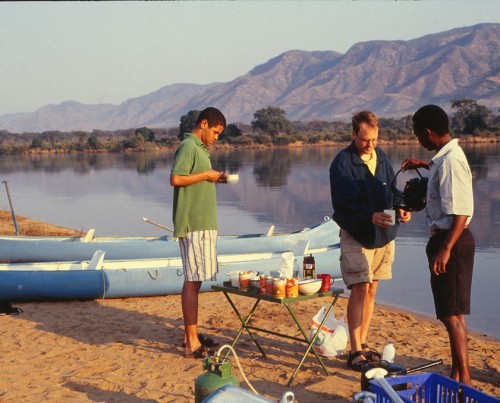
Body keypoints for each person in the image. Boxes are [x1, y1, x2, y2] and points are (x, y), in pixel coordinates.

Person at [329, 111, 411, 371]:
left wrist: (401, 208)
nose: (370, 144)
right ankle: (354, 351)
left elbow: (392, 191)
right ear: (354, 134)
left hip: (384, 235)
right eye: (365, 140)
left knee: (373, 288)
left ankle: (363, 342)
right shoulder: (342, 164)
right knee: (360, 288)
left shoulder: (382, 156)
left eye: (374, 139)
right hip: (357, 234)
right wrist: (369, 215)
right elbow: (343, 205)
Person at [402, 104, 474, 385]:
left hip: (452, 242)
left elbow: (462, 211)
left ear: (430, 133)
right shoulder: (444, 159)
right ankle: (458, 375)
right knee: (452, 312)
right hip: (448, 241)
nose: (419, 140)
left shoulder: (452, 161)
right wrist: (421, 164)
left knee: (451, 315)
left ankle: (465, 382)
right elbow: (439, 171)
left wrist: (445, 249)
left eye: (419, 136)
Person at [170, 107, 227, 359]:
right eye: (215, 132)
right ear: (204, 124)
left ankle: (189, 334)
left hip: (203, 223)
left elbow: (193, 178)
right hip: (193, 223)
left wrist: (212, 178)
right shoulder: (189, 146)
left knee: (197, 278)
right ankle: (191, 342)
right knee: (192, 281)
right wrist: (206, 174)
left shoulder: (200, 148)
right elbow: (176, 179)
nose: (216, 138)